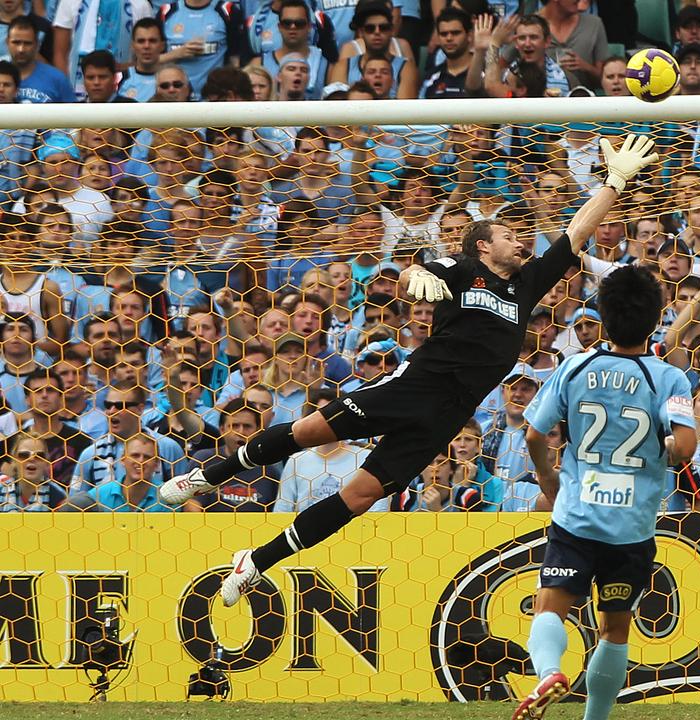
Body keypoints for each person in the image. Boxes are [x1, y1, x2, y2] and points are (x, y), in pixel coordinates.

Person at [158, 134, 663, 608]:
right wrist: (416, 275)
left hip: (446, 416)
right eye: (509, 235)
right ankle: (211, 474)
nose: (520, 241)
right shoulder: (464, 270)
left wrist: (613, 182)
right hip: (412, 387)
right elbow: (417, 271)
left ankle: (257, 561)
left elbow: (575, 234)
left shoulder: (526, 285)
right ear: (484, 245)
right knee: (310, 431)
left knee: (356, 497)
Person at [513, 264, 695, 720]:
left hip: (577, 516)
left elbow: (535, 436)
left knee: (549, 607)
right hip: (632, 527)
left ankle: (549, 672)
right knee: (614, 629)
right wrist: (664, 448)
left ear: (603, 318)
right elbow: (686, 447)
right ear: (655, 321)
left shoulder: (576, 366)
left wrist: (548, 479)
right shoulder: (668, 378)